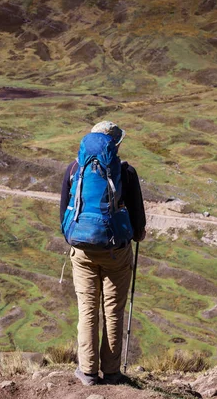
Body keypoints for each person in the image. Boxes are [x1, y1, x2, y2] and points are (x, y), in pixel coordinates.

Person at [59, 121, 146, 385]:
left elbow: (64, 212)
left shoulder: (74, 169)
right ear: (115, 144)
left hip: (82, 250)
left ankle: (87, 373)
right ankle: (111, 373)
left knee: (87, 310)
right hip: (115, 253)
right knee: (113, 310)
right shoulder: (125, 172)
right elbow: (139, 225)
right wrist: (136, 234)